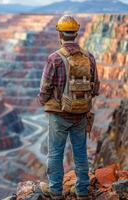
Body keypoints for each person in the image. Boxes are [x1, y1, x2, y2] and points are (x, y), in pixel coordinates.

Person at [37, 15, 100, 200]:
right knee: (80, 152)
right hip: (81, 114)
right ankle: (82, 191)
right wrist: (81, 101)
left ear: (60, 34)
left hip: (59, 115)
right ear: (76, 33)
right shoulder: (89, 57)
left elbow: (45, 88)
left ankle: (56, 191)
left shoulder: (54, 59)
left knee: (55, 153)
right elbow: (95, 87)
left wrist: (44, 101)